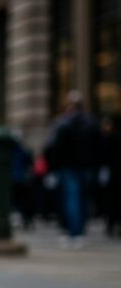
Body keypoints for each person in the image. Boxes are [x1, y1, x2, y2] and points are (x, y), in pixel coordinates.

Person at [43, 91, 101, 249]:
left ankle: (73, 232)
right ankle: (80, 231)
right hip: (87, 166)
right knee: (83, 199)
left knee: (72, 199)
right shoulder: (91, 123)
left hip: (69, 167)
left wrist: (53, 167)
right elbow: (99, 147)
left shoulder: (63, 123)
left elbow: (53, 147)